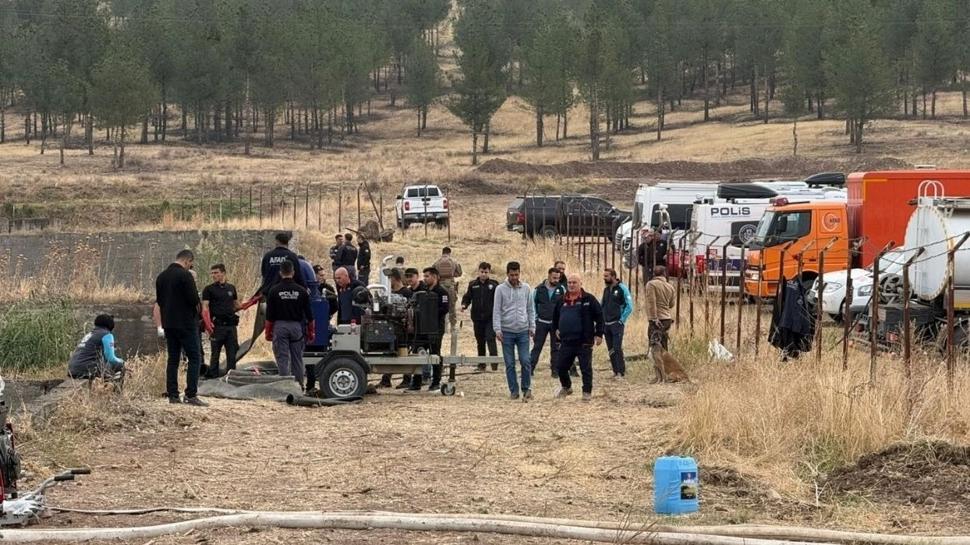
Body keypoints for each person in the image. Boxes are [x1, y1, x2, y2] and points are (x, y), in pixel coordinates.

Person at [155, 249, 207, 406]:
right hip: (186, 323)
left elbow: (160, 301)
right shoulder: (186, 275)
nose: (190, 267)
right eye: (190, 264)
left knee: (173, 359)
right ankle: (191, 394)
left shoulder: (161, 276)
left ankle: (173, 395)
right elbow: (193, 300)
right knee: (195, 357)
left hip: (169, 324)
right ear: (188, 261)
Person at [552, 273, 604, 402]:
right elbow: (555, 318)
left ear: (581, 283)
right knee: (560, 367)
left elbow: (600, 317)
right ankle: (566, 387)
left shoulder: (589, 299)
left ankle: (586, 392)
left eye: (574, 282)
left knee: (585, 368)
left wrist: (599, 334)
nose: (571, 285)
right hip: (566, 341)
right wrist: (556, 329)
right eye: (569, 282)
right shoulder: (561, 300)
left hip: (584, 341)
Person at [265, 260, 314, 386]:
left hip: (280, 327)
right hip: (296, 327)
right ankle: (299, 385)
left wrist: (268, 332)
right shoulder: (302, 291)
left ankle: (285, 386)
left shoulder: (274, 291)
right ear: (293, 272)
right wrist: (311, 332)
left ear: (281, 273)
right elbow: (309, 315)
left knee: (282, 358)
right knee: (297, 358)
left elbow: (269, 315)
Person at [492, 261, 535, 401]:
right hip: (507, 332)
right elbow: (496, 310)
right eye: (511, 275)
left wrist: (532, 326)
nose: (514, 278)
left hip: (523, 331)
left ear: (520, 273)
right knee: (509, 363)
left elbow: (530, 309)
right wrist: (497, 329)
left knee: (525, 360)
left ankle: (526, 388)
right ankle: (514, 390)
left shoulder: (527, 288)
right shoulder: (500, 289)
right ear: (507, 274)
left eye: (516, 274)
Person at [409, 267, 449, 391]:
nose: (425, 278)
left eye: (427, 276)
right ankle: (416, 383)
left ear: (435, 277)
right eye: (424, 276)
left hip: (435, 328)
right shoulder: (423, 291)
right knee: (418, 352)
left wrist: (430, 313)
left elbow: (445, 309)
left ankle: (436, 381)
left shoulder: (442, 292)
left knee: (435, 353)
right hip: (422, 327)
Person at [201, 263, 240, 379]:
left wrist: (253, 301)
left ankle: (232, 377)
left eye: (216, 273)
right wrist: (208, 325)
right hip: (217, 327)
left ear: (223, 273)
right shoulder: (208, 289)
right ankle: (213, 377)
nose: (214, 275)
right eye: (212, 273)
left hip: (231, 327)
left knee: (232, 354)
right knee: (215, 354)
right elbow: (205, 308)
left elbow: (237, 305)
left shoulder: (231, 288)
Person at [379, 268, 414, 389]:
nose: (389, 281)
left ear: (395, 278)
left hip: (402, 329)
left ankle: (407, 379)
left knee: (404, 354)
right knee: (388, 353)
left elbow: (410, 312)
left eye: (390, 278)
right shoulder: (388, 293)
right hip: (390, 328)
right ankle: (386, 379)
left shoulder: (407, 293)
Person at [461, 262, 499, 370]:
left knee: (490, 338)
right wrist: (464, 305)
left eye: (486, 272)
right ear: (478, 271)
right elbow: (467, 297)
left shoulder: (494, 285)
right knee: (480, 340)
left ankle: (494, 364)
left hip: (490, 317)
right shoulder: (473, 284)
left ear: (489, 272)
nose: (483, 274)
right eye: (482, 272)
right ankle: (481, 364)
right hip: (477, 318)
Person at [530, 267, 565, 377]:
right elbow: (533, 305)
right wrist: (535, 319)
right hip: (541, 322)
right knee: (537, 346)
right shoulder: (538, 289)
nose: (556, 280)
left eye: (558, 278)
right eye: (554, 278)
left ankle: (555, 370)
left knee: (555, 348)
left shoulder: (562, 289)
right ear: (549, 276)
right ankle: (530, 368)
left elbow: (565, 305)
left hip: (556, 324)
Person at [68, 314, 125, 380]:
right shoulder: (107, 335)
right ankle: (114, 388)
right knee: (119, 365)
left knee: (105, 363)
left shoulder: (90, 334)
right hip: (86, 370)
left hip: (72, 370)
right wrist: (122, 362)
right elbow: (111, 358)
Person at [645, 265, 677, 381]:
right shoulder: (670, 286)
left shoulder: (651, 284)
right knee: (664, 347)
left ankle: (660, 376)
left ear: (654, 273)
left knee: (655, 349)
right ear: (664, 274)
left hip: (657, 319)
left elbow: (651, 302)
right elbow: (671, 304)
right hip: (667, 318)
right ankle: (667, 374)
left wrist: (653, 318)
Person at [601, 268, 634, 379]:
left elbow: (629, 306)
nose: (604, 278)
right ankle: (615, 371)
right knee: (610, 349)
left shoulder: (622, 288)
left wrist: (621, 320)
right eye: (604, 276)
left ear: (613, 276)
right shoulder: (606, 290)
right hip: (606, 323)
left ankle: (621, 372)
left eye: (606, 276)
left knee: (617, 347)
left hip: (616, 323)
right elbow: (603, 305)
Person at [433, 247, 463, 330]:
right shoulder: (454, 262)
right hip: (450, 287)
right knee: (451, 306)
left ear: (442, 253)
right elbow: (459, 273)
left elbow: (433, 273)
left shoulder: (437, 262)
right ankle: (453, 326)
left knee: (440, 305)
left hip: (440, 287)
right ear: (449, 253)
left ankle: (443, 326)